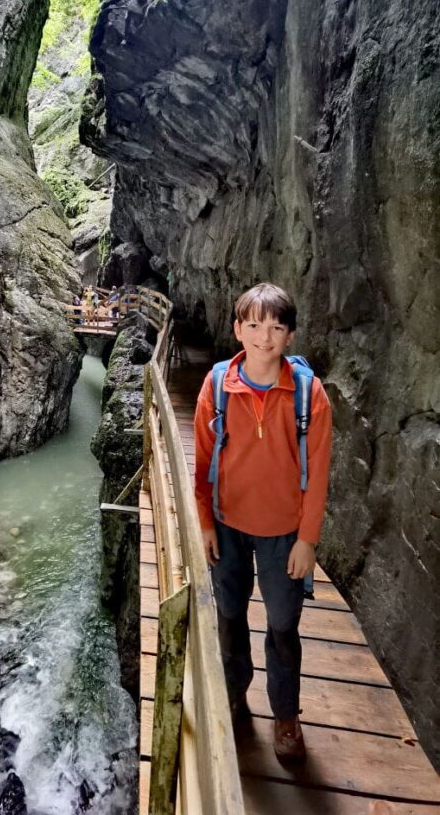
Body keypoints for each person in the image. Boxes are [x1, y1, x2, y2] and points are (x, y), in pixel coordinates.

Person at [193, 282, 332, 763]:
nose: (264, 338)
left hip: (284, 534)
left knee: (282, 625)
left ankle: (286, 713)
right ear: (237, 329)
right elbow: (203, 464)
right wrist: (205, 524)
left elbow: (318, 476)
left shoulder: (309, 395)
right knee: (230, 617)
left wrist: (308, 540)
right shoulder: (215, 386)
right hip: (228, 525)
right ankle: (234, 691)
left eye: (275, 328)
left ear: (289, 335)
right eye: (253, 325)